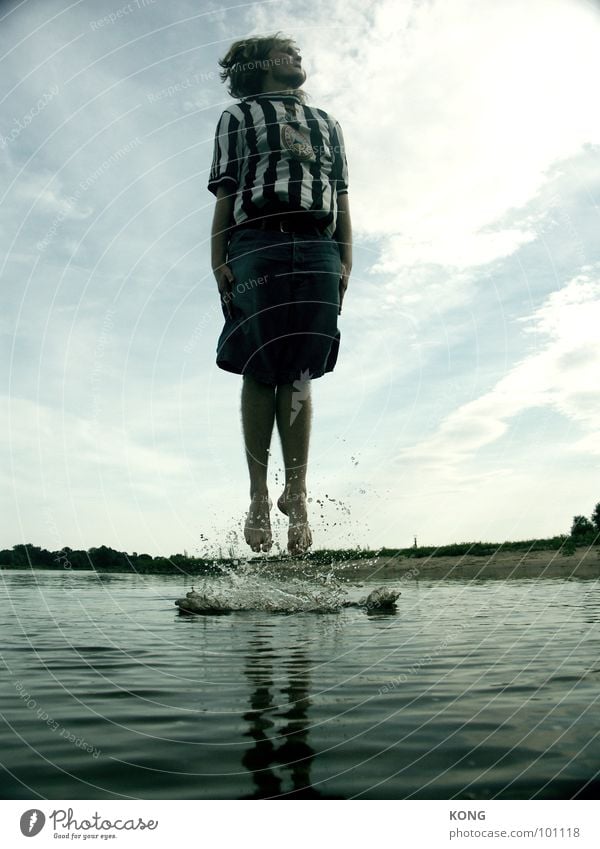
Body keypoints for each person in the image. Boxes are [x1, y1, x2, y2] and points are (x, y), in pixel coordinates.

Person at [208, 33, 352, 555]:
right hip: (257, 241)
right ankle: (256, 496)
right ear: (258, 66)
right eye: (286, 53)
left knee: (301, 370)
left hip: (318, 244)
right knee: (259, 365)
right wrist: (218, 258)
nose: (298, 58)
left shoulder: (327, 124)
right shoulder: (238, 118)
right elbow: (226, 190)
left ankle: (297, 489)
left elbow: (339, 192)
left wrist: (346, 255)